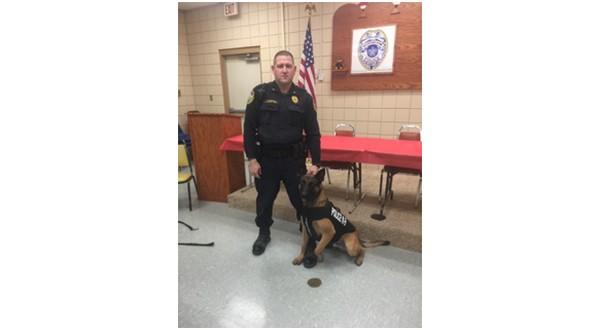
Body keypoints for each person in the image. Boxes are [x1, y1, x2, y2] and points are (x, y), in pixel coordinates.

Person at [243, 50, 321, 267]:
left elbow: (313, 132)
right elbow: (248, 129)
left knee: (301, 201)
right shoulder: (259, 93)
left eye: (288, 66)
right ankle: (263, 233)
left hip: (293, 161)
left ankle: (309, 242)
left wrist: (315, 161)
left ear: (294, 70)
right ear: (273, 69)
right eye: (280, 65)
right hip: (266, 160)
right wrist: (252, 159)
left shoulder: (304, 98)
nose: (284, 69)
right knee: (265, 199)